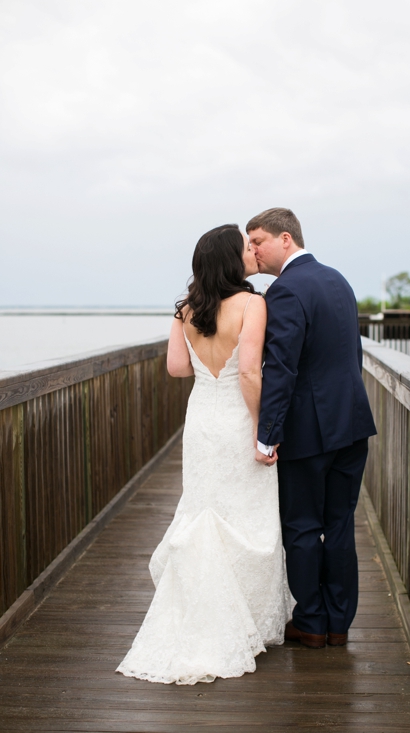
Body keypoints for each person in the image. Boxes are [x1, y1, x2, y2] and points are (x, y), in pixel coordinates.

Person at [118, 224, 291, 684]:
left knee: (202, 509)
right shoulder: (254, 304)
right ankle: (243, 620)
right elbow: (251, 373)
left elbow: (177, 368)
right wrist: (263, 433)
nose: (250, 252)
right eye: (244, 248)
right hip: (238, 418)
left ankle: (201, 614)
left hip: (201, 420)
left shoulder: (186, 309)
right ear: (232, 260)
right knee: (246, 515)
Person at [248, 207, 377, 649]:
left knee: (302, 527)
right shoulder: (339, 280)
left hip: (309, 431)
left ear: (286, 239)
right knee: (340, 524)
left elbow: (281, 368)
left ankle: (311, 622)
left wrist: (267, 433)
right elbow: (349, 356)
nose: (253, 251)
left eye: (258, 241)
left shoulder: (284, 292)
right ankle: (339, 623)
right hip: (352, 423)